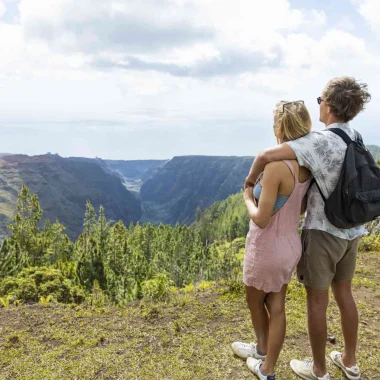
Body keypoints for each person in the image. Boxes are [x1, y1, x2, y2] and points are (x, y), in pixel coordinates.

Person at [244, 76, 371, 380]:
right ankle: (350, 362)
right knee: (345, 293)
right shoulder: (356, 137)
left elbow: (266, 155)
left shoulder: (319, 141)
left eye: (320, 101)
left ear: (328, 105)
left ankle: (319, 370)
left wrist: (250, 183)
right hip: (352, 231)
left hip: (323, 232)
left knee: (317, 301)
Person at [231, 100, 312, 380]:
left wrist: (246, 196)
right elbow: (299, 208)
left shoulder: (277, 167)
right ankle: (267, 364)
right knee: (277, 308)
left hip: (266, 247)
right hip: (290, 244)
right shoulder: (305, 166)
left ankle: (263, 353)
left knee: (255, 303)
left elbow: (261, 218)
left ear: (280, 127)